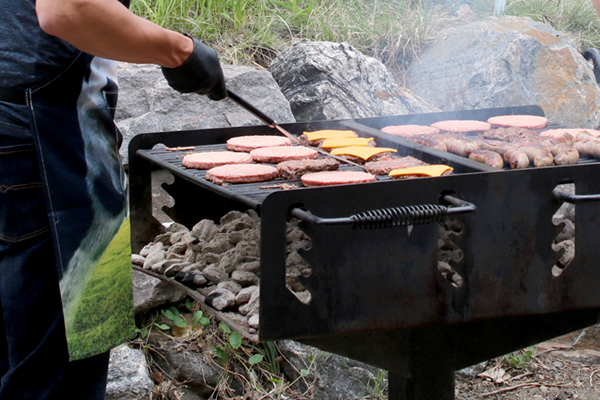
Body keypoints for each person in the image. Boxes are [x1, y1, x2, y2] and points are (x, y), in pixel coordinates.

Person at [0, 0, 226, 398]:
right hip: (46, 151)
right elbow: (68, 9)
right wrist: (180, 51)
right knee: (59, 382)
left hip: (27, 142)